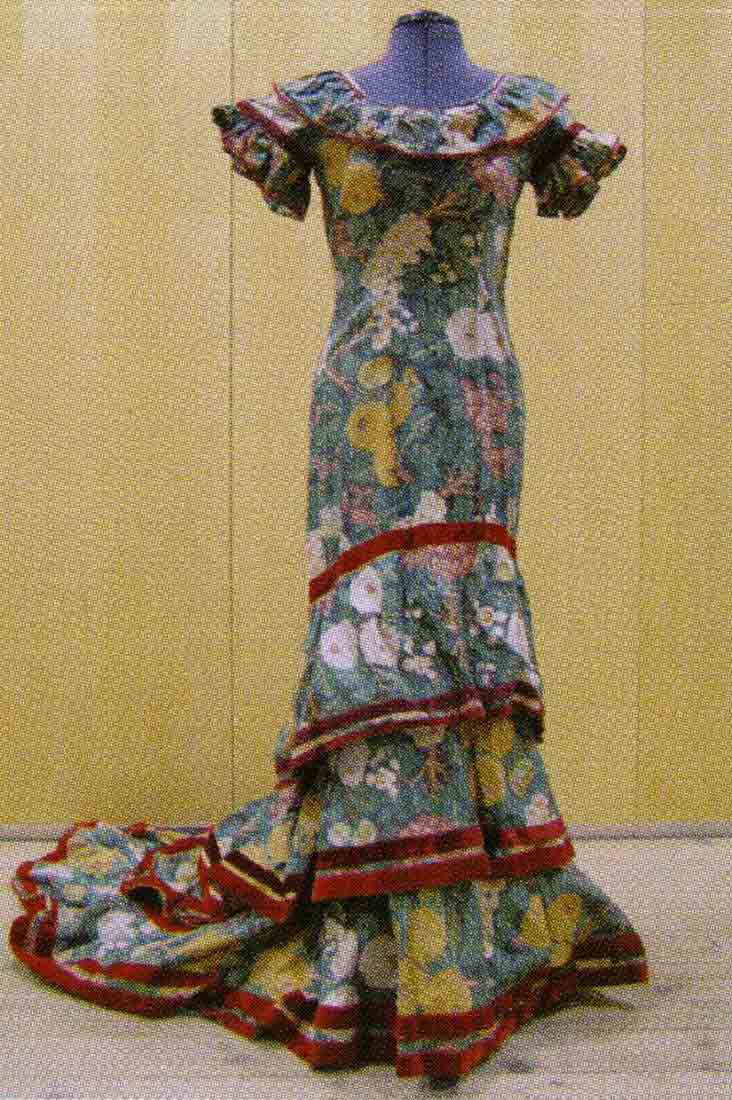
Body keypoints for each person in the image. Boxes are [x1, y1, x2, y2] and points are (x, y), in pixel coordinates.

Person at [9, 10, 648, 1088]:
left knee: (463, 635)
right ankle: (367, 928)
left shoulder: (532, 115)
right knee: (371, 643)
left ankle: (470, 921)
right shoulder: (312, 111)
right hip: (362, 404)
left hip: (480, 403)